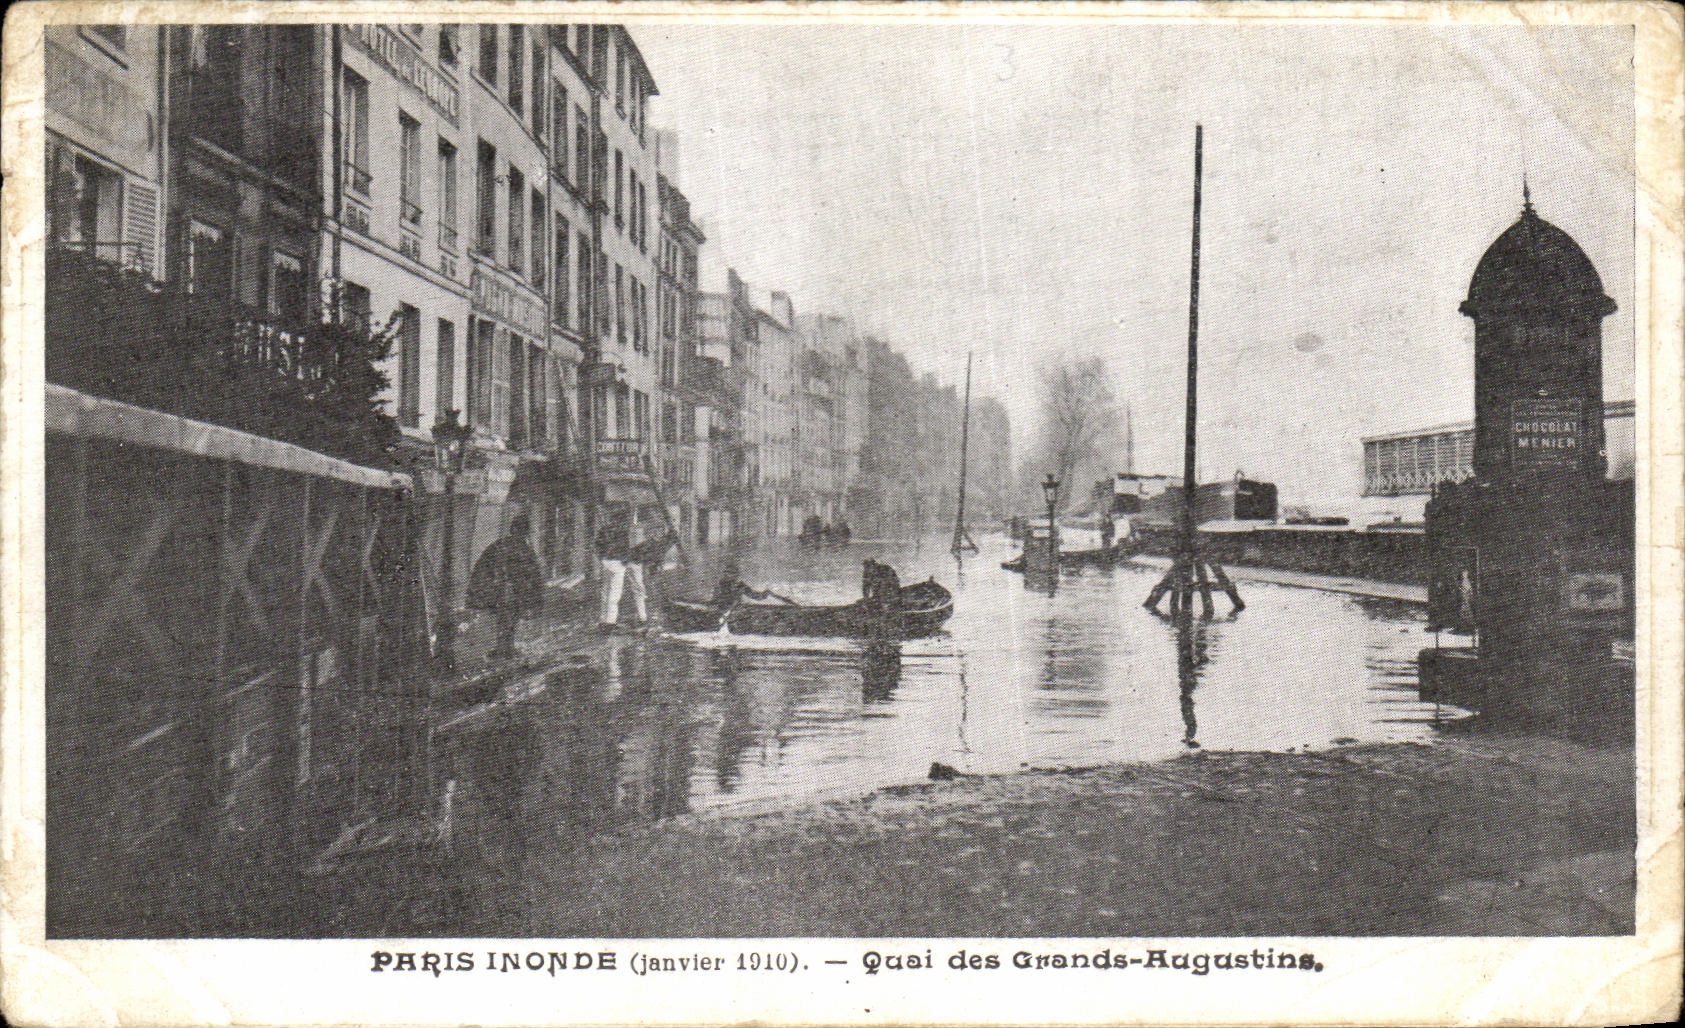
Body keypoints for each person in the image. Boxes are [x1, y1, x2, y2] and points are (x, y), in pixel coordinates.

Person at [466, 513, 544, 661]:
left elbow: (482, 566)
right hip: (511, 592)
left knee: (506, 620)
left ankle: (505, 648)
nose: (521, 533)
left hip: (504, 591)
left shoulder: (500, 545)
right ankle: (505, 649)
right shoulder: (524, 549)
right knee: (509, 620)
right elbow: (533, 573)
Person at [594, 510, 646, 632]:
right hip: (618, 563)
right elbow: (625, 548)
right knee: (615, 593)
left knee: (605, 591)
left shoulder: (604, 530)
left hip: (606, 562)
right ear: (621, 521)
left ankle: (603, 620)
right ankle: (610, 622)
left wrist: (602, 558)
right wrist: (625, 560)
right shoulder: (622, 531)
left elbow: (597, 545)